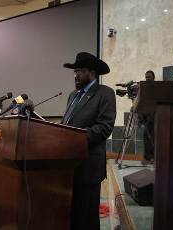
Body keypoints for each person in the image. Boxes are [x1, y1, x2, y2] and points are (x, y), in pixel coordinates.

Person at [61, 52, 116, 230]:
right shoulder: (72, 96)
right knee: (71, 216)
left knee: (87, 219)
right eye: (74, 71)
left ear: (92, 72)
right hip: (68, 166)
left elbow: (104, 127)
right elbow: (66, 124)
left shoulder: (105, 93)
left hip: (88, 166)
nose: (75, 75)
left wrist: (73, 138)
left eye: (80, 71)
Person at [138, 70, 155, 164]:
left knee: (153, 138)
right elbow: (140, 103)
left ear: (153, 78)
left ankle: (153, 157)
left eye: (149, 77)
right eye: (146, 77)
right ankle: (147, 157)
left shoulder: (157, 88)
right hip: (145, 117)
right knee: (146, 139)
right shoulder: (143, 88)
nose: (147, 78)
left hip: (154, 118)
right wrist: (140, 120)